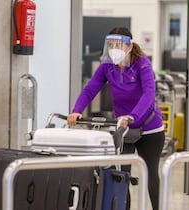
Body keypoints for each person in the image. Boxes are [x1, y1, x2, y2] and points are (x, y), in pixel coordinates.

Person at [67, 27, 165, 210]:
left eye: (117, 45)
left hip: (149, 127)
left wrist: (133, 116)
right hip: (123, 128)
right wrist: (77, 110)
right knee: (122, 175)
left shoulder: (142, 63)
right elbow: (91, 89)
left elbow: (149, 94)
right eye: (110, 45)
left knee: (151, 172)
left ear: (128, 47)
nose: (113, 49)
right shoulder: (107, 66)